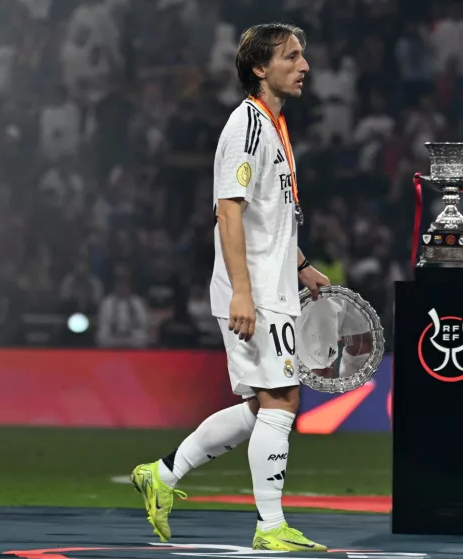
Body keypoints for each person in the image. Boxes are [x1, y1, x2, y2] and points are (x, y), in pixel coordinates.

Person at [130, 23, 330, 551]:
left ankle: (163, 475)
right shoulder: (245, 125)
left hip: (274, 281)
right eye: (291, 57)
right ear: (261, 69)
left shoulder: (273, 127)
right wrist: (242, 291)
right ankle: (270, 527)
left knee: (266, 405)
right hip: (255, 288)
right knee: (282, 400)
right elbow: (229, 211)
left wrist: (302, 264)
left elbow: (273, 215)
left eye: (302, 55)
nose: (304, 65)